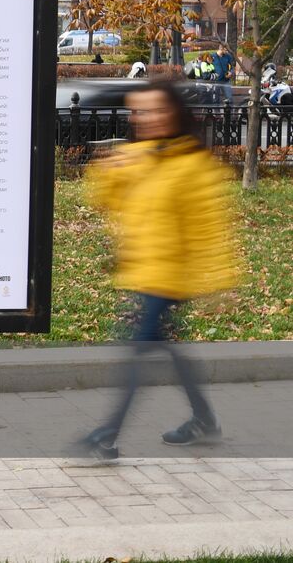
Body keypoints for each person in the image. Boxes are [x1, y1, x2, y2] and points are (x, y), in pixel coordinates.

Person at [78, 79, 239, 460]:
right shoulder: (143, 155)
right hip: (142, 272)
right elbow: (105, 200)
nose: (146, 118)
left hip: (169, 279)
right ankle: (204, 420)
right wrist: (109, 168)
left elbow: (209, 230)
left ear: (174, 113)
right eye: (139, 112)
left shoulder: (194, 165)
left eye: (155, 110)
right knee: (169, 349)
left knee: (136, 353)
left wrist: (219, 282)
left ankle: (107, 434)